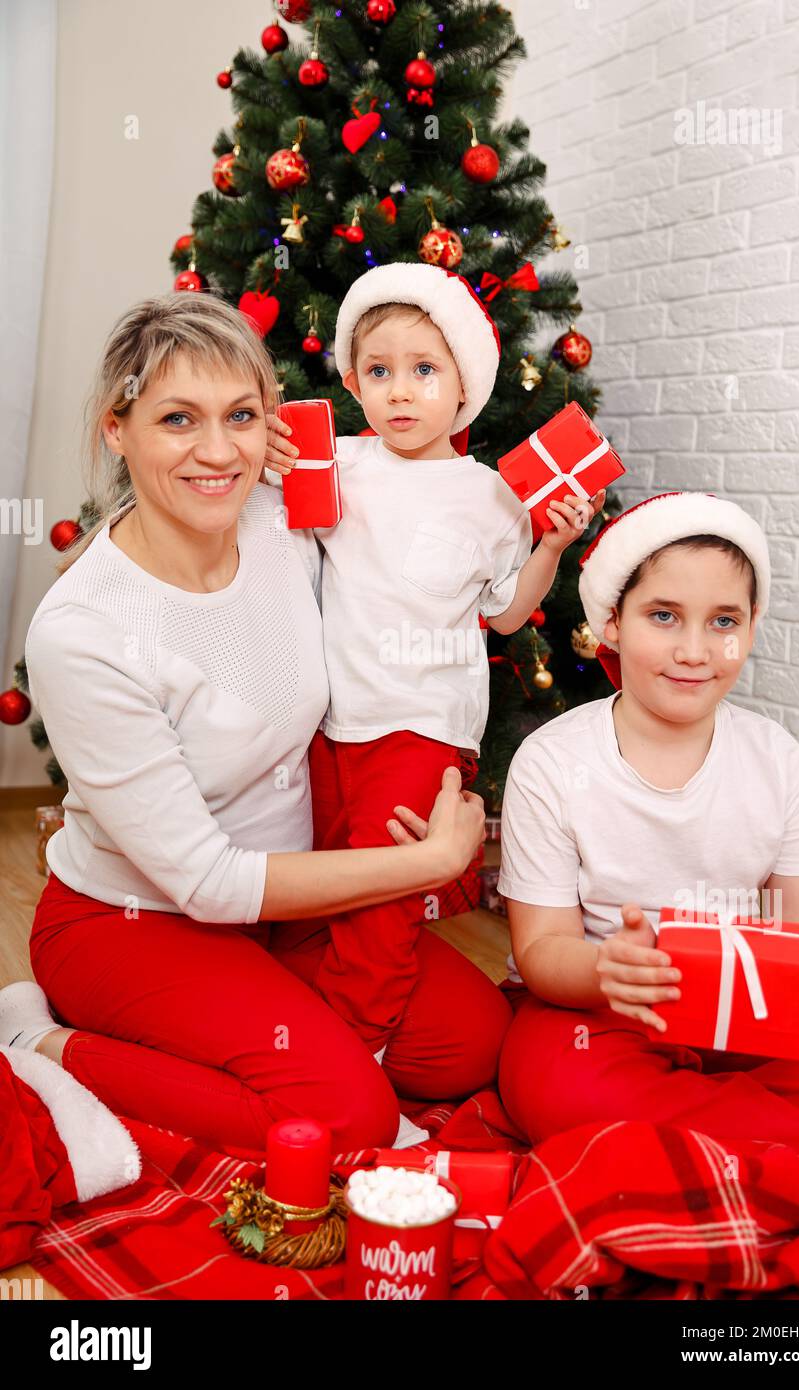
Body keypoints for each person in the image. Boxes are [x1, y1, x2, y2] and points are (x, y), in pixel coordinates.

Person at [0, 290, 504, 1160]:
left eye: (241, 416)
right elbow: (206, 882)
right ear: (116, 429)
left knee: (470, 1043)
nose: (217, 450)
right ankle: (42, 1041)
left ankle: (266, 1023)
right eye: (177, 418)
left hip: (288, 907)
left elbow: (411, 525)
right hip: (136, 921)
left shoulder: (284, 522)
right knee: (342, 1117)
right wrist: (424, 865)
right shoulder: (84, 629)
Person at [262, 262, 606, 1061]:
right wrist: (267, 441)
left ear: (462, 388)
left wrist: (553, 543)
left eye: (423, 371)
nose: (400, 392)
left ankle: (357, 1057)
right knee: (326, 893)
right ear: (354, 381)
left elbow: (508, 612)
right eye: (378, 372)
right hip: (328, 721)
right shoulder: (337, 461)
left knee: (380, 908)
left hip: (420, 726)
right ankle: (293, 1025)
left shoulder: (487, 496)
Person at [494, 491, 799, 1193]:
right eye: (663, 617)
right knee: (549, 1076)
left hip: (741, 1019)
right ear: (611, 623)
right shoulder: (551, 762)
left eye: (722, 621)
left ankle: (725, 1133)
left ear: (751, 628)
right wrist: (608, 969)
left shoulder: (778, 759)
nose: (695, 651)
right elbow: (541, 953)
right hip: (605, 1019)